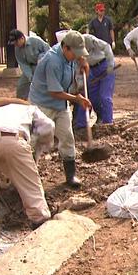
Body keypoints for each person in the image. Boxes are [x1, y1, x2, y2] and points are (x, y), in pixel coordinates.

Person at [0, 98, 55, 252]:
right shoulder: (29, 109)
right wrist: (43, 144)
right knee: (32, 191)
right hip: (13, 139)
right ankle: (42, 241)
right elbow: (49, 126)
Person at [28, 30, 92, 188]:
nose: (77, 57)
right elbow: (54, 91)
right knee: (35, 141)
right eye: (75, 53)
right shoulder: (53, 61)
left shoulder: (70, 55)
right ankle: (28, 177)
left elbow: (78, 70)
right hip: (42, 105)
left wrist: (83, 63)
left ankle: (71, 176)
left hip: (61, 104)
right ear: (65, 48)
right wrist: (77, 99)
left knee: (67, 137)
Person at [74, 33, 115, 130]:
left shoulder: (89, 39)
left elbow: (106, 47)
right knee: (91, 97)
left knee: (105, 96)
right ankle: (82, 125)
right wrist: (80, 84)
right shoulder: (73, 48)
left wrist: (110, 65)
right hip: (90, 70)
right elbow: (76, 68)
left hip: (104, 66)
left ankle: (108, 123)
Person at [8, 29, 50, 100]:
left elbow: (48, 51)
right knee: (21, 85)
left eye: (16, 43)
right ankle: (22, 102)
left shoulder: (35, 41)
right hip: (30, 67)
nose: (15, 45)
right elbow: (23, 64)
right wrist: (30, 76)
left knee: (43, 86)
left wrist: (41, 59)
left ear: (22, 38)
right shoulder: (17, 49)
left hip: (43, 66)